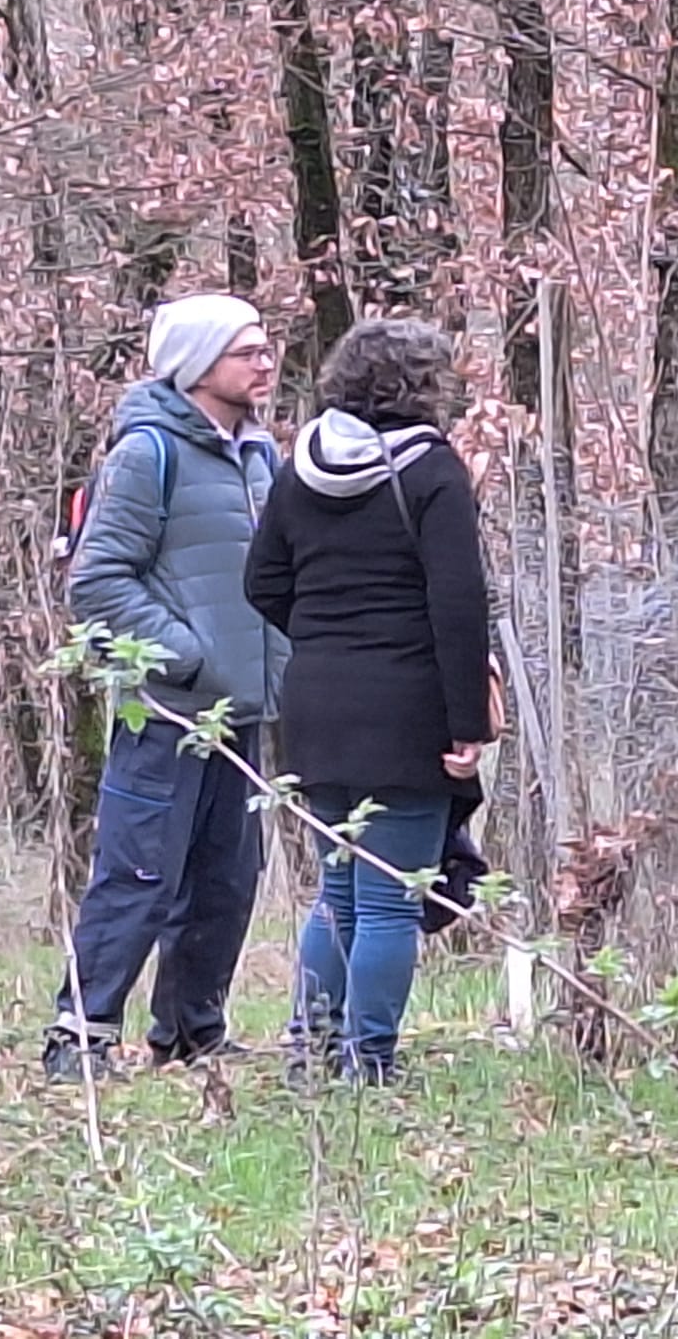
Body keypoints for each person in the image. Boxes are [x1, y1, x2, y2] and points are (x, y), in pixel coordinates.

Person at [45, 293, 288, 1081]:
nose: (264, 361)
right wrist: (185, 656)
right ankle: (78, 1039)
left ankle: (190, 1032)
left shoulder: (261, 456)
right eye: (244, 351)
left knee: (227, 877)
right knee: (141, 874)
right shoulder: (147, 454)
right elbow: (98, 581)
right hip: (168, 711)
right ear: (197, 365)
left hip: (240, 711)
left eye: (264, 347)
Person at [245, 319, 493, 1084]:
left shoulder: (300, 467)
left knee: (339, 890)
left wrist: (322, 638)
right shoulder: (434, 473)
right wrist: (466, 723)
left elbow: (262, 583)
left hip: (315, 703)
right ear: (425, 386)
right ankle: (370, 1062)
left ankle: (311, 1050)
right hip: (406, 706)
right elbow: (458, 605)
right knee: (390, 901)